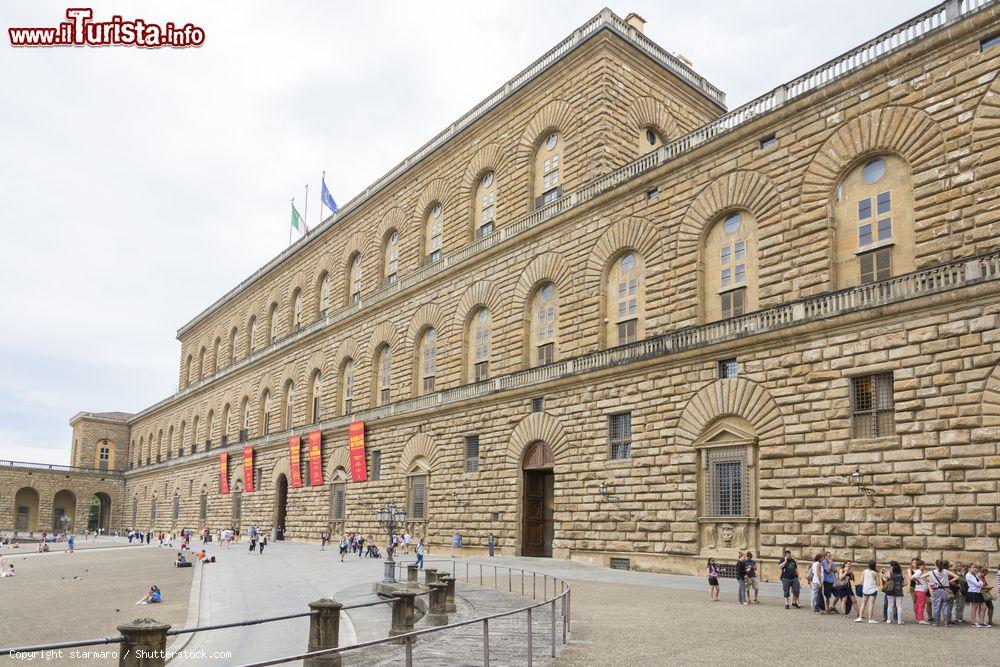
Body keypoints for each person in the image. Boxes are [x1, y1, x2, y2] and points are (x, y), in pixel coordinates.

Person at [929, 560, 957, 627]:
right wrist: (949, 581)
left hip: (936, 590)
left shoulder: (932, 572)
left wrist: (931, 581)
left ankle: (936, 622)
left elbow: (922, 576)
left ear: (935, 564)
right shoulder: (946, 571)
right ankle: (946, 623)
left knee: (936, 607)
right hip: (945, 589)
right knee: (945, 606)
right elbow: (957, 577)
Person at [912, 559, 930, 624]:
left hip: (919, 589)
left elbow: (914, 577)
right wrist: (918, 581)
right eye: (924, 565)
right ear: (920, 566)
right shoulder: (919, 572)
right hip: (921, 590)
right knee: (921, 605)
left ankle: (918, 618)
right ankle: (921, 619)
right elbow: (912, 577)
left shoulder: (919, 571)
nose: (925, 566)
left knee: (918, 604)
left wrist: (918, 581)